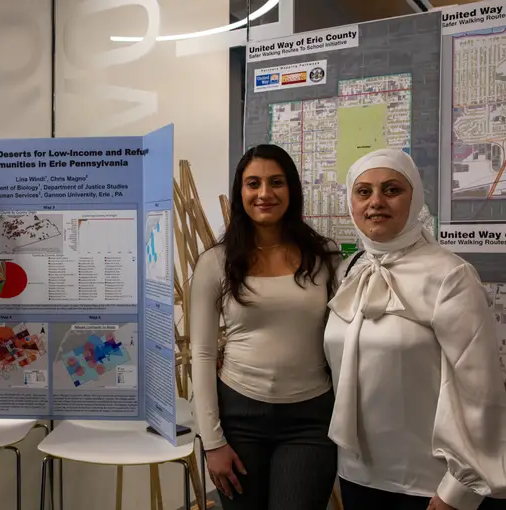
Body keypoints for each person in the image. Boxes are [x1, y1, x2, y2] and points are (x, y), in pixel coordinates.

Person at [325, 148, 506, 510]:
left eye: (391, 189)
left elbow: (480, 392)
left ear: (415, 197)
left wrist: (458, 490)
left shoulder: (450, 276)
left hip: (428, 487)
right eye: (363, 192)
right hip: (355, 476)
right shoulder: (348, 272)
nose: (376, 202)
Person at [190, 144, 341, 510]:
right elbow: (203, 352)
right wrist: (212, 443)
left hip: (311, 420)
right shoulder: (216, 262)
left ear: (292, 190)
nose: (264, 193)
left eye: (276, 182)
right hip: (239, 419)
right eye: (252, 183)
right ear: (240, 192)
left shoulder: (325, 256)